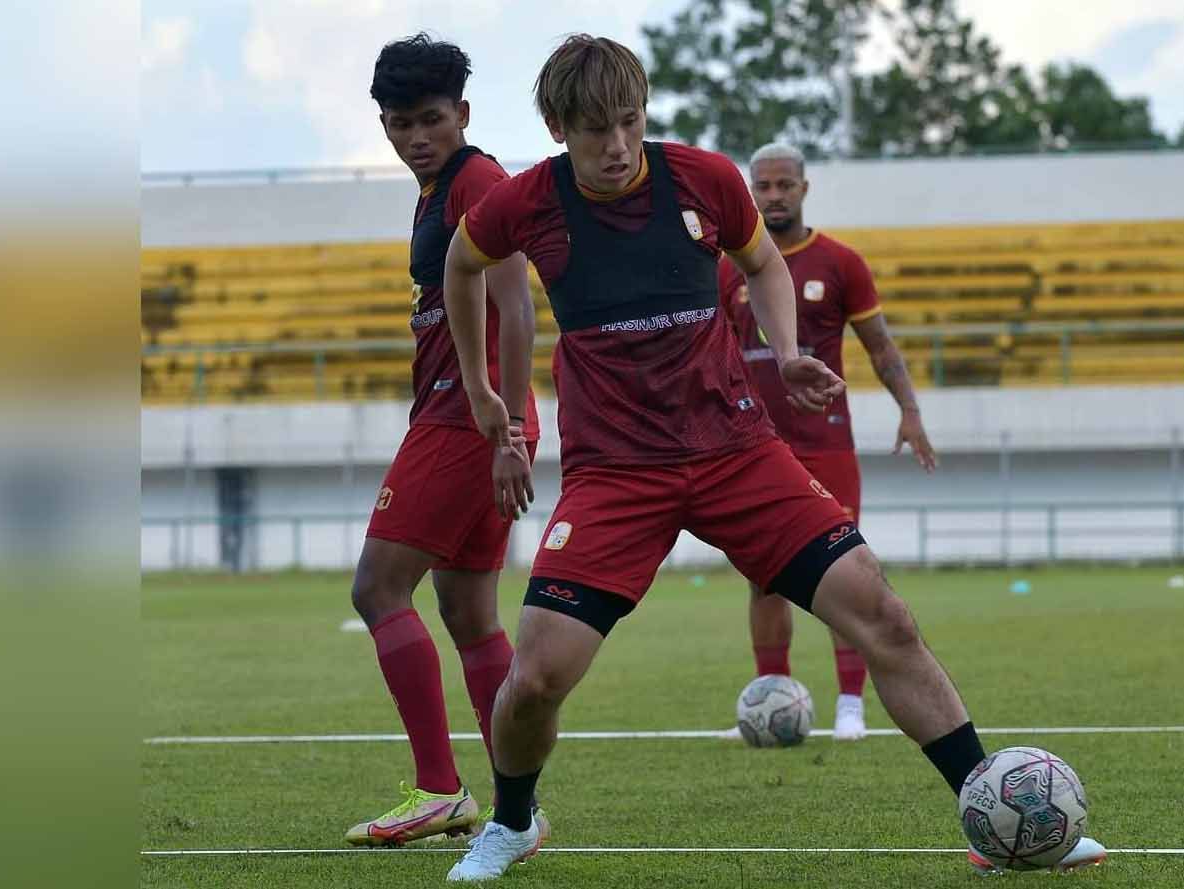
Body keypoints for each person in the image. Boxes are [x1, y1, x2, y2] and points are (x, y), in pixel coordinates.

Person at [440, 34, 1106, 881]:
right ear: (555, 127)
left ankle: (994, 816)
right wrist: (482, 392)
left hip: (736, 450)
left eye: (628, 122)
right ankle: (513, 821)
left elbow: (761, 263)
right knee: (535, 677)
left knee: (886, 616)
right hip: (615, 472)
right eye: (593, 130)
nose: (615, 146)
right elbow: (464, 265)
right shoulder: (526, 201)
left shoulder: (705, 178)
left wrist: (786, 349)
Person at [342, 33, 547, 848]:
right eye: (399, 123)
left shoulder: (481, 181)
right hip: (460, 409)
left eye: (430, 119)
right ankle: (516, 812)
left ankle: (439, 789)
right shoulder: (434, 190)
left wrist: (509, 425)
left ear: (462, 113)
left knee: (376, 588)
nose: (415, 136)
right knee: (467, 612)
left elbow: (519, 305)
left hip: (470, 415)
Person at [719, 141, 937, 742]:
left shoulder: (840, 263)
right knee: (763, 580)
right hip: (754, 446)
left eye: (784, 184)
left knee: (846, 575)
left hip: (827, 444)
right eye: (762, 186)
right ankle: (772, 695)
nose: (773, 195)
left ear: (804, 188)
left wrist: (910, 410)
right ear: (751, 191)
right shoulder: (726, 267)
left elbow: (881, 348)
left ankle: (849, 704)